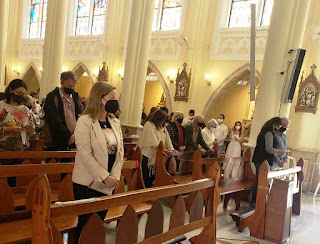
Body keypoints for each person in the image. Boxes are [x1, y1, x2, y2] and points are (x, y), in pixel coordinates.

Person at [72, 81, 124, 242]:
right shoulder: (85, 121)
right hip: (87, 181)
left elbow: (120, 152)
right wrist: (104, 177)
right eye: (111, 98)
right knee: (86, 222)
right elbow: (85, 154)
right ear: (99, 98)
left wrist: (114, 176)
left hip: (109, 180)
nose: (115, 102)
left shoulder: (114, 122)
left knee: (98, 223)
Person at [0, 79, 35, 185]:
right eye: (18, 93)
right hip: (3, 152)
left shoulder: (25, 110)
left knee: (17, 183)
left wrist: (30, 130)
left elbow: (32, 129)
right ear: (11, 90)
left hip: (21, 151)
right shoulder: (1, 107)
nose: (21, 96)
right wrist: (7, 130)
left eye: (23, 94)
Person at [252, 117, 287, 202]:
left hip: (260, 158)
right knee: (261, 181)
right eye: (278, 126)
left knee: (260, 180)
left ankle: (256, 201)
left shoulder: (264, 131)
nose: (278, 128)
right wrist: (280, 152)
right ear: (274, 124)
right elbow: (269, 149)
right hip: (262, 160)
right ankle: (257, 201)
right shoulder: (268, 133)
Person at [44, 71, 81, 150]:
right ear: (62, 83)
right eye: (68, 86)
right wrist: (68, 136)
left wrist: (75, 134)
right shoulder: (52, 97)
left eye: (73, 86)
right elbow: (54, 119)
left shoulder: (75, 96)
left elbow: (78, 115)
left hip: (74, 137)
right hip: (57, 138)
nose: (71, 89)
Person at [138, 110, 175, 188]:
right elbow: (152, 138)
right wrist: (160, 147)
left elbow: (167, 139)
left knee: (155, 171)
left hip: (158, 153)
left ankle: (152, 186)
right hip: (148, 153)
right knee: (147, 172)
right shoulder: (149, 125)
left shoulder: (162, 127)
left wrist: (171, 148)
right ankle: (145, 187)